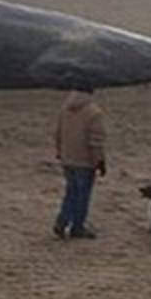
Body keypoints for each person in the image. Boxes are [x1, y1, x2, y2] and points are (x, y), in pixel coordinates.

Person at [53, 85, 107, 240]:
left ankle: (62, 221)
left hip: (67, 158)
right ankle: (77, 227)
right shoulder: (94, 112)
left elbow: (58, 133)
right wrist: (100, 161)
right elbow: (95, 141)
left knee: (71, 192)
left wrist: (60, 153)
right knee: (82, 195)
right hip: (84, 161)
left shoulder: (65, 109)